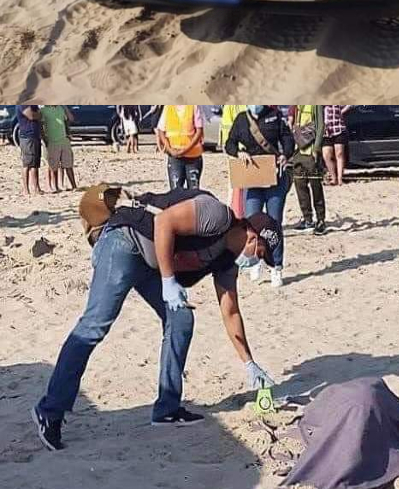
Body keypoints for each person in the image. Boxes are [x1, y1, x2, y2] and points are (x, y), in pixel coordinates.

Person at [31, 185, 281, 451]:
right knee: (95, 325)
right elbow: (164, 222)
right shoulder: (217, 214)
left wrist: (249, 363)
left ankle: (167, 408)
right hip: (125, 242)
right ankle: (50, 410)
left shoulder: (227, 263)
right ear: (253, 235)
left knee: (181, 319)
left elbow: (230, 312)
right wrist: (168, 281)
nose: (257, 261)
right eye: (261, 254)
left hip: (152, 263)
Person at [224, 106, 295, 287]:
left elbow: (288, 139)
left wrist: (285, 155)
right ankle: (255, 261)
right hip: (252, 178)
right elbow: (229, 143)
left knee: (274, 223)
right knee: (250, 223)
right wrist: (238, 152)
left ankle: (276, 266)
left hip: (274, 178)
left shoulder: (275, 116)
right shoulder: (241, 119)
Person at [288, 104, 327, 235]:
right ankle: (307, 218)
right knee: (300, 186)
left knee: (316, 186)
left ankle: (320, 220)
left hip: (311, 152)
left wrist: (317, 148)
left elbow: (321, 126)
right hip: (298, 150)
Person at [156, 105, 206, 190]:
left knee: (193, 191)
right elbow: (161, 130)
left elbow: (199, 131)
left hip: (192, 157)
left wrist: (184, 150)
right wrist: (169, 149)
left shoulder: (193, 106)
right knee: (176, 191)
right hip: (175, 157)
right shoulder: (168, 107)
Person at [40, 104, 76, 193]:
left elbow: (69, 120)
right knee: (53, 166)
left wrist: (68, 134)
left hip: (64, 140)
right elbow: (41, 126)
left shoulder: (61, 108)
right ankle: (55, 186)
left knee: (68, 164)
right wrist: (45, 140)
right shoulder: (43, 110)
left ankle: (74, 185)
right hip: (52, 141)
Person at [321, 105, 354, 186]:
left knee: (339, 153)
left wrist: (342, 111)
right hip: (325, 130)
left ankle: (339, 179)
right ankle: (333, 177)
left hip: (339, 127)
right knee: (326, 155)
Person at [16, 104, 42, 196]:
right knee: (28, 163)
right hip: (27, 136)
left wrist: (38, 114)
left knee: (35, 163)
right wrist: (38, 115)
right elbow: (31, 116)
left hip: (35, 135)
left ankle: (36, 187)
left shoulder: (33, 104)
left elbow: (38, 114)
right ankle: (27, 190)